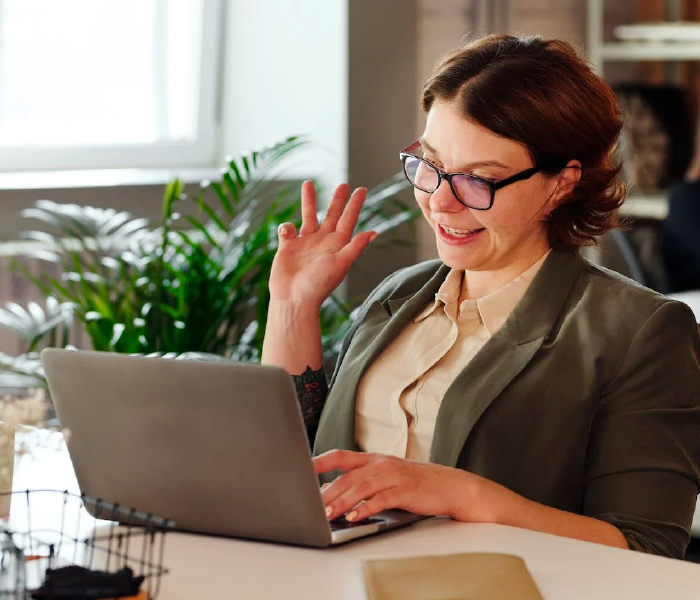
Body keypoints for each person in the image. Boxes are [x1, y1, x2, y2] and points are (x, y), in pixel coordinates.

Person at [262, 33, 700, 559]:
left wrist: (463, 494)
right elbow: (296, 462)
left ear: (562, 183)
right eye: (430, 165)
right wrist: (292, 306)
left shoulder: (638, 332)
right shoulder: (397, 297)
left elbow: (648, 548)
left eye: (478, 180)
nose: (440, 202)